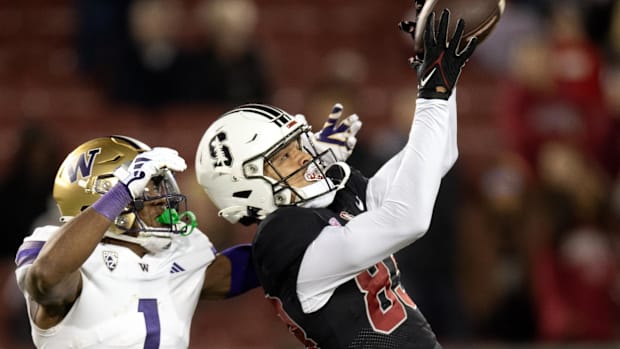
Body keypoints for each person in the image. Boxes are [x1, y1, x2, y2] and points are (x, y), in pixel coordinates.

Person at [194, 6, 477, 348]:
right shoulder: (281, 238)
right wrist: (433, 94)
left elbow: (439, 159)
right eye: (285, 155)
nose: (304, 155)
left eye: (297, 144)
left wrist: (443, 78)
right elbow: (409, 219)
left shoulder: (334, 200)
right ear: (245, 188)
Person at [14, 135, 260, 348]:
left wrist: (287, 227)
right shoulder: (52, 245)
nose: (162, 200)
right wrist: (123, 192)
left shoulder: (182, 247)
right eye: (147, 187)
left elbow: (259, 264)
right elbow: (46, 279)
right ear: (104, 192)